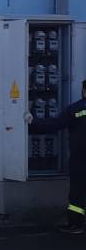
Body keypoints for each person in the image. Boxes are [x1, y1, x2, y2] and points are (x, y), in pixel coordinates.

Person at [28, 79, 86, 233]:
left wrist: (32, 121)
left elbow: (54, 124)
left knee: (78, 193)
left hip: (80, 158)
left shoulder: (75, 109)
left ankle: (76, 224)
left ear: (84, 91)